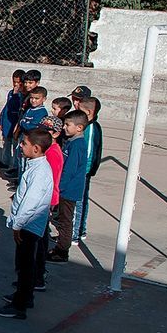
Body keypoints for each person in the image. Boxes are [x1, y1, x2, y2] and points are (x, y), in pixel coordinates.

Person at [0, 130, 55, 320]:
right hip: (27, 223)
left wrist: (17, 224)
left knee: (26, 264)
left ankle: (20, 305)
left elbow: (31, 202)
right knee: (24, 263)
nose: (21, 146)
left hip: (29, 225)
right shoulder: (35, 166)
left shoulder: (40, 171)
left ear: (36, 148)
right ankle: (24, 295)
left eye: (24, 144)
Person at [48, 110, 90, 263]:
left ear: (79, 127)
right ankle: (60, 246)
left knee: (65, 221)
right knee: (62, 219)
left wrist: (59, 188)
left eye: (67, 125)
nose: (64, 128)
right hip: (65, 188)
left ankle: (62, 251)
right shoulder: (72, 141)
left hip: (69, 190)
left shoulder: (78, 144)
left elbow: (70, 170)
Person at [74, 96, 103, 242]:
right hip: (81, 171)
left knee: (79, 202)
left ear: (90, 112)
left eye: (81, 111)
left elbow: (89, 154)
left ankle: (76, 233)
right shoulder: (87, 127)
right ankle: (79, 230)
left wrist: (81, 172)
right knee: (80, 201)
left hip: (82, 172)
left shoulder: (91, 129)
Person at [0, 70, 25, 174]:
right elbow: (6, 108)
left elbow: (16, 108)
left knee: (15, 146)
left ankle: (15, 166)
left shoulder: (21, 95)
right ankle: (5, 161)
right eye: (14, 82)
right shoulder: (11, 93)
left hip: (15, 124)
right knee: (6, 143)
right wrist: (1, 121)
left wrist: (16, 95)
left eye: (19, 82)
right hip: (7, 123)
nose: (16, 85)